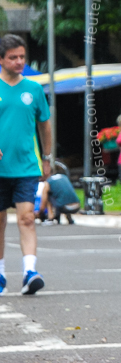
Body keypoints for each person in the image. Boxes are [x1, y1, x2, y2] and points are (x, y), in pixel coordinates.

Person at [0, 34, 51, 295]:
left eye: (22, 56)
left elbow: (45, 125)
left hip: (27, 167)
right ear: (1, 60)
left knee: (27, 218)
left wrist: (47, 157)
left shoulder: (34, 89)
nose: (19, 61)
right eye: (13, 58)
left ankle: (30, 272)